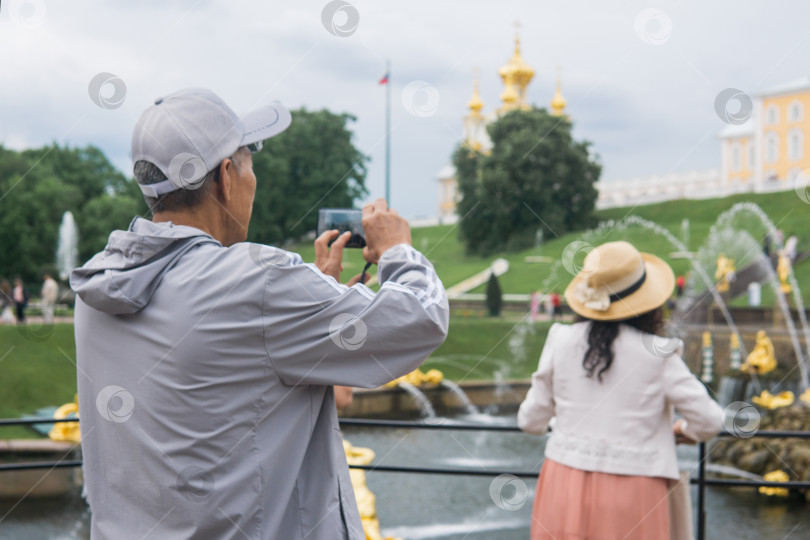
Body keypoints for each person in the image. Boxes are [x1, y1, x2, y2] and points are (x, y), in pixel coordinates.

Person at [70, 88, 449, 540]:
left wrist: (313, 296)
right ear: (227, 177)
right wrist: (398, 250)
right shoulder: (259, 282)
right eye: (250, 162)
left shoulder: (98, 285)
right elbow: (419, 319)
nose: (253, 178)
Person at [518, 241, 724, 539]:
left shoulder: (560, 339)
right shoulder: (658, 354)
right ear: (648, 302)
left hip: (562, 479)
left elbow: (529, 420)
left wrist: (560, 425)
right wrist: (682, 430)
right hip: (634, 485)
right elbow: (710, 421)